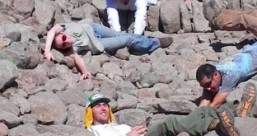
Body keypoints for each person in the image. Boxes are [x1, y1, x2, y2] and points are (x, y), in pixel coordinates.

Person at [84, 88, 257, 136]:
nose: (103, 108)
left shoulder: (119, 125)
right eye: (98, 106)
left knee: (202, 111)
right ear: (90, 112)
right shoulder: (92, 132)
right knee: (171, 123)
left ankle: (235, 110)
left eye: (105, 105)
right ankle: (222, 122)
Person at [44, 22, 173, 80]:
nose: (67, 42)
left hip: (94, 28)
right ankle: (155, 42)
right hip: (99, 44)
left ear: (61, 33)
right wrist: (85, 72)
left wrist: (47, 51)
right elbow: (78, 59)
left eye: (64, 38)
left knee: (120, 34)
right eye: (64, 45)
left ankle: (146, 40)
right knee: (128, 39)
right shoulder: (71, 49)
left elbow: (51, 31)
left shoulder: (63, 27)